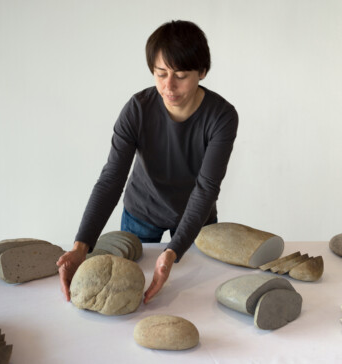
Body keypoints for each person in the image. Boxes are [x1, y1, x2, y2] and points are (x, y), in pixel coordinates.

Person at [57, 20, 238, 304]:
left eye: (180, 75)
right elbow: (111, 179)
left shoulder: (221, 117)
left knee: (198, 297)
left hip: (195, 216)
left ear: (202, 72)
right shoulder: (137, 110)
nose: (168, 86)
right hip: (141, 212)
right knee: (124, 292)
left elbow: (207, 188)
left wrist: (173, 251)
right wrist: (81, 246)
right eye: (160, 73)